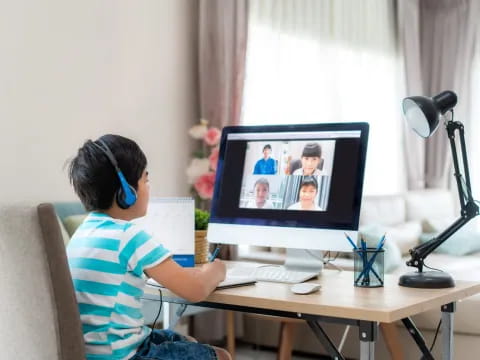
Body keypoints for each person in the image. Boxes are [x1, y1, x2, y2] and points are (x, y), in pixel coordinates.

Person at [67, 134, 231, 360]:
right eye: (145, 179)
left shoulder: (81, 233)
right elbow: (195, 290)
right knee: (220, 355)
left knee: (185, 342)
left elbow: (177, 277)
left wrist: (191, 274)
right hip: (125, 355)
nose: (148, 186)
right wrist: (217, 270)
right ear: (126, 191)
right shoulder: (130, 236)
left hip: (93, 353)